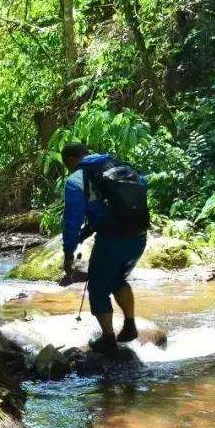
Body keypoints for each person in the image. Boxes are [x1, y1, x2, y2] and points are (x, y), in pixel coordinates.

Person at [61, 142, 149, 354]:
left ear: (71, 159)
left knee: (98, 288)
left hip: (112, 238)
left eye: (67, 164)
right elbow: (141, 186)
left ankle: (108, 339)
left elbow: (72, 220)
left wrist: (68, 251)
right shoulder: (116, 166)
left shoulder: (77, 180)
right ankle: (129, 326)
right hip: (139, 233)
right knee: (117, 279)